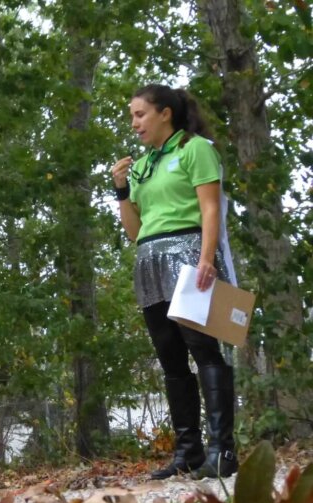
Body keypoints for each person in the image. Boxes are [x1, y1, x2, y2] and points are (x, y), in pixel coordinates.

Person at [111, 84, 239, 480]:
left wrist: (206, 258)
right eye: (131, 116)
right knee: (169, 357)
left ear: (165, 113)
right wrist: (120, 189)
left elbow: (210, 206)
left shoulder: (195, 148)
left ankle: (223, 450)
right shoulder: (145, 164)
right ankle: (189, 452)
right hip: (149, 259)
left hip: (188, 254)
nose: (134, 124)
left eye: (139, 114)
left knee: (202, 348)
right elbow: (135, 231)